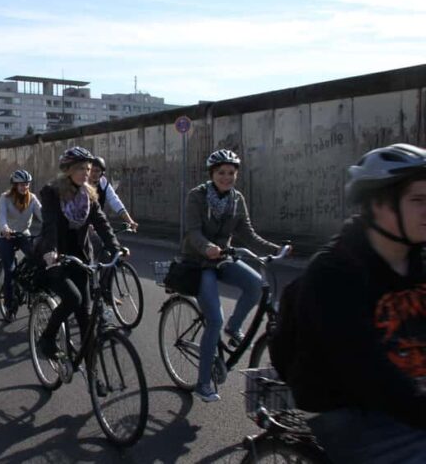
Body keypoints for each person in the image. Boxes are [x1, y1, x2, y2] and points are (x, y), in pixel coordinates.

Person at [283, 143, 426, 462]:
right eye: (418, 200)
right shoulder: (335, 273)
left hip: (407, 397)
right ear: (378, 205)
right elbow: (365, 370)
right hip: (348, 409)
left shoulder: (418, 261)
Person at [183, 149, 284, 403]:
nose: (226, 177)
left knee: (256, 285)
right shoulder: (197, 196)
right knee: (213, 319)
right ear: (212, 174)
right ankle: (203, 383)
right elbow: (192, 232)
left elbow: (247, 234)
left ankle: (234, 326)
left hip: (224, 258)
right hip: (200, 262)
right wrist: (206, 247)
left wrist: (275, 249)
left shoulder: (236, 199)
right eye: (221, 173)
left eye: (231, 173)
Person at [36, 146, 126, 359]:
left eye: (88, 168)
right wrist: (50, 251)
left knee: (85, 317)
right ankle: (47, 339)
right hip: (56, 259)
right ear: (68, 170)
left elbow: (102, 225)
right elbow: (49, 225)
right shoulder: (52, 192)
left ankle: (93, 374)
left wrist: (116, 248)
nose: (86, 173)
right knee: (72, 299)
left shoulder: (89, 195)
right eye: (80, 169)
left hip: (81, 258)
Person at [0, 169, 43, 318]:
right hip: (7, 237)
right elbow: (1, 216)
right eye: (21, 184)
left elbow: (42, 214)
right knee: (10, 270)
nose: (25, 187)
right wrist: (5, 229)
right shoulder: (5, 198)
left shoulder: (32, 199)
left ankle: (26, 284)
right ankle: (9, 304)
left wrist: (51, 226)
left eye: (27, 184)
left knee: (37, 258)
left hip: (23, 234)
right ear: (14, 185)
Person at [90, 156, 138, 232]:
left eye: (97, 171)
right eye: (91, 170)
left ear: (102, 172)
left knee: (110, 241)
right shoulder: (82, 183)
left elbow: (114, 201)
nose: (93, 173)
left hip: (96, 222)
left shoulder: (104, 184)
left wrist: (130, 221)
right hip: (80, 223)